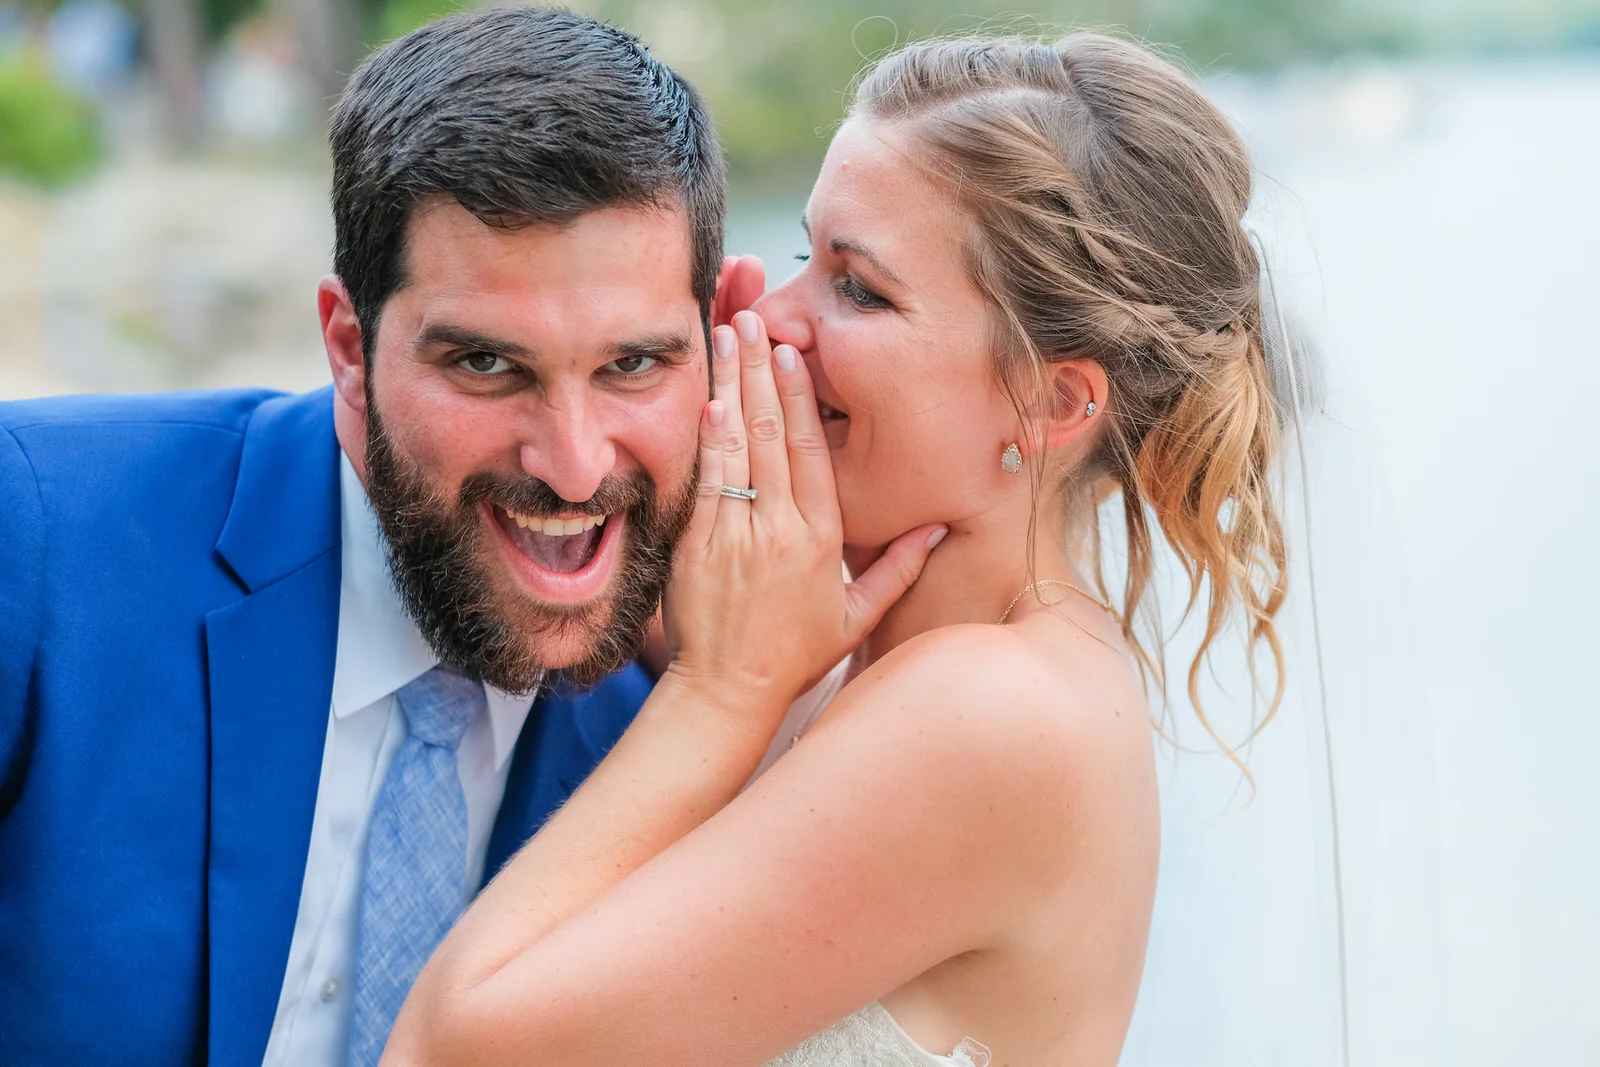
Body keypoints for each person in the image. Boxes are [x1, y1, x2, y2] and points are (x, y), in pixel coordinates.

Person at [0, 11, 917, 1067]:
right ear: (350, 347)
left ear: (718, 339)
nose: (573, 465)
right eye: (487, 365)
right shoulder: (40, 538)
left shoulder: (691, 730)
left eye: (632, 365)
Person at [385, 30, 1288, 1067]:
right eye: (805, 258)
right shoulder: (858, 656)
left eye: (858, 289)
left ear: (1051, 402)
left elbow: (445, 1049)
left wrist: (720, 691)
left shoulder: (990, 715)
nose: (768, 320)